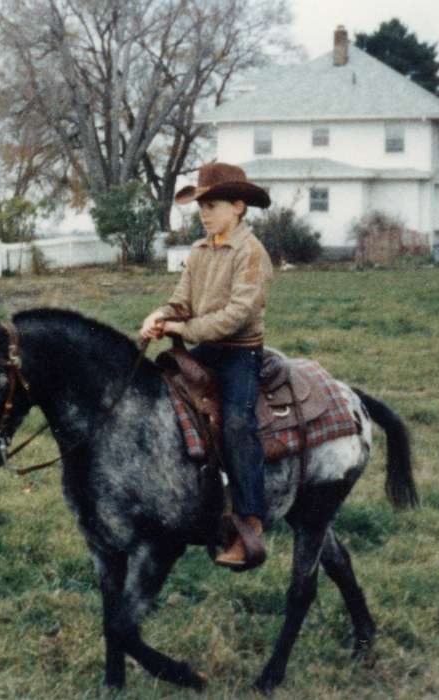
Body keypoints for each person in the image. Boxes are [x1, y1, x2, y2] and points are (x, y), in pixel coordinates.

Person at [140, 162, 274, 569]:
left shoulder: (251, 253)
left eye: (211, 205)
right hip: (205, 345)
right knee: (159, 393)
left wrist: (184, 327)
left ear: (238, 206)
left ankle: (250, 521)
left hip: (239, 352)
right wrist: (159, 314)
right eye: (200, 206)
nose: (203, 213)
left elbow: (235, 315)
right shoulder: (199, 252)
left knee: (236, 422)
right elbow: (181, 298)